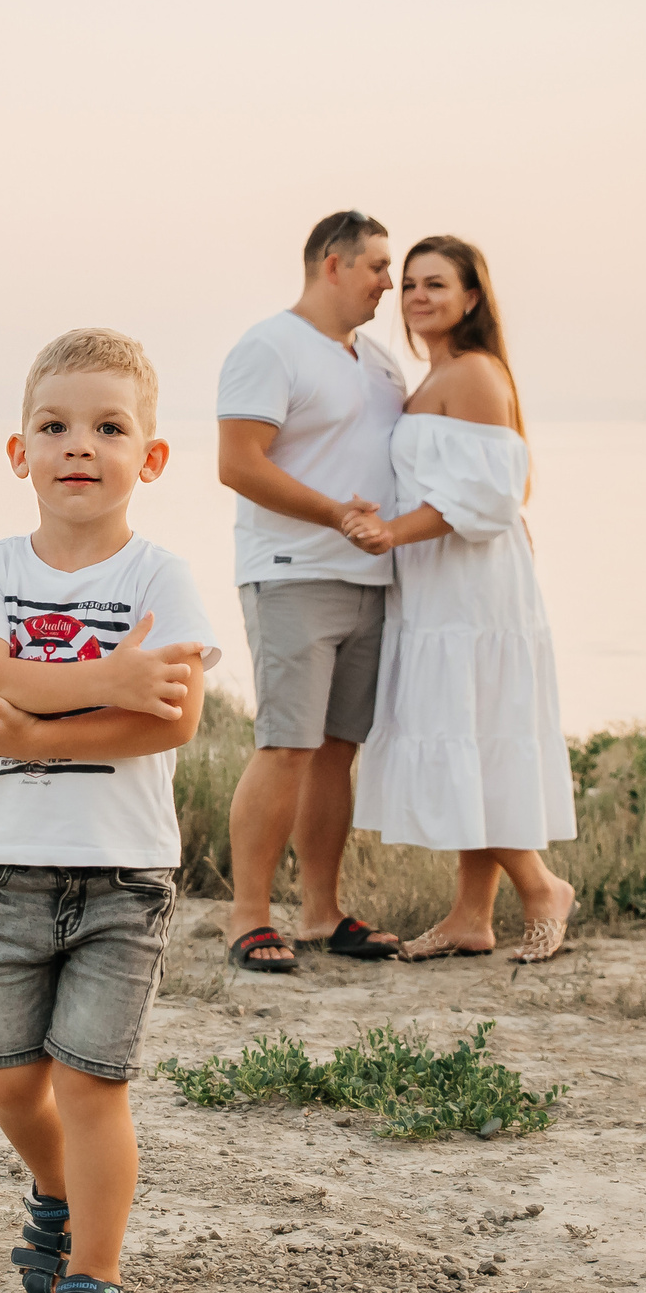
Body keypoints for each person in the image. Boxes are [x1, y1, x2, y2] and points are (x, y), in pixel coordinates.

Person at [0, 327, 221, 1293]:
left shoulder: (163, 576)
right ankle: (54, 1195)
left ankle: (93, 1280)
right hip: (14, 872)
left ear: (147, 458)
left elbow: (173, 721)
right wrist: (109, 676)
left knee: (89, 1081)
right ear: (18, 452)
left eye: (108, 428)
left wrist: (38, 714)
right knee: (9, 1076)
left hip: (123, 874)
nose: (79, 446)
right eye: (54, 426)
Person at [340, 235, 577, 962]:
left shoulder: (474, 373)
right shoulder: (436, 372)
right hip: (440, 584)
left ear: (472, 296)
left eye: (436, 283)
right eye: (409, 283)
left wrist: (390, 532)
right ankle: (472, 915)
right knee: (467, 733)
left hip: (473, 589)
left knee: (472, 733)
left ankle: (541, 887)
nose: (417, 295)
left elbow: (489, 494)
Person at [212, 209, 410, 972]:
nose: (388, 283)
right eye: (377, 266)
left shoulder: (381, 361)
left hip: (372, 577)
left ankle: (323, 914)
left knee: (337, 751)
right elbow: (239, 463)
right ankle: (248, 916)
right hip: (292, 571)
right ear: (333, 262)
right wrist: (333, 514)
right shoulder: (268, 346)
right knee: (287, 744)